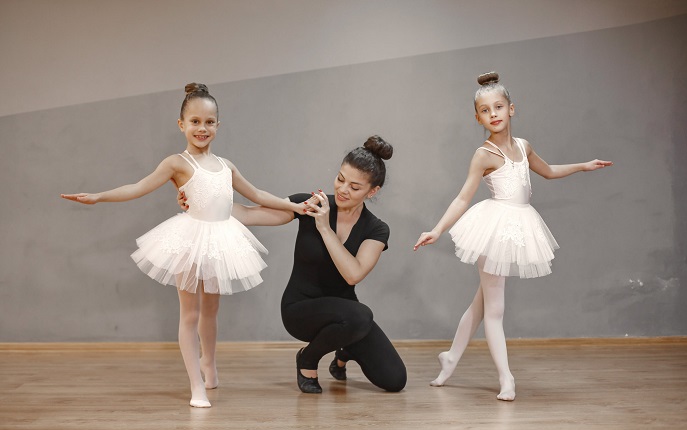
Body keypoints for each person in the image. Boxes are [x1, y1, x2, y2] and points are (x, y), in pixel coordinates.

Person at [62, 83, 305, 408]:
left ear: (218, 125)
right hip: (189, 240)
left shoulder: (226, 166)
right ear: (182, 125)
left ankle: (209, 363)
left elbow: (258, 195)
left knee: (212, 310)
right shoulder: (176, 163)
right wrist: (99, 196)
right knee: (189, 314)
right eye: (195, 121)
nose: (202, 128)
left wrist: (296, 207)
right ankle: (196, 387)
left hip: (221, 241)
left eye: (209, 122)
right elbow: (137, 187)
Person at [413, 72, 612, 401]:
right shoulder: (483, 155)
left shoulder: (524, 146)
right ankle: (507, 378)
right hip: (494, 229)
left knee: (481, 303)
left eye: (499, 107)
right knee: (495, 308)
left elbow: (547, 171)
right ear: (477, 117)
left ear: (511, 109)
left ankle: (450, 359)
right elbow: (463, 197)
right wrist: (437, 229)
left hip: (517, 227)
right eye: (485, 110)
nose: (493, 114)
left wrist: (583, 166)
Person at [181, 135, 407, 393]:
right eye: (341, 179)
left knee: (395, 380)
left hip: (348, 317)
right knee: (362, 315)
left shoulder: (376, 229)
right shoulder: (310, 204)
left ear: (372, 191)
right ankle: (307, 359)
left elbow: (353, 275)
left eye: (355, 187)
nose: (343, 189)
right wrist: (201, 205)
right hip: (300, 310)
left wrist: (324, 228)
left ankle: (344, 351)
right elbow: (247, 213)